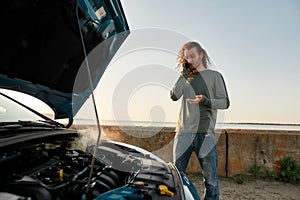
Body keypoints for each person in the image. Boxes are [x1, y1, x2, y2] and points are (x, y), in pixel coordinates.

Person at [170, 41, 230, 200]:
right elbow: (174, 96)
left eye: (193, 56)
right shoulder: (186, 77)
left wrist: (205, 100)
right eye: (187, 57)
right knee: (176, 178)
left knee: (211, 181)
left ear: (201, 55)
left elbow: (225, 103)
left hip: (206, 135)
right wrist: (183, 74)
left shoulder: (215, 76)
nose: (190, 60)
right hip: (183, 133)